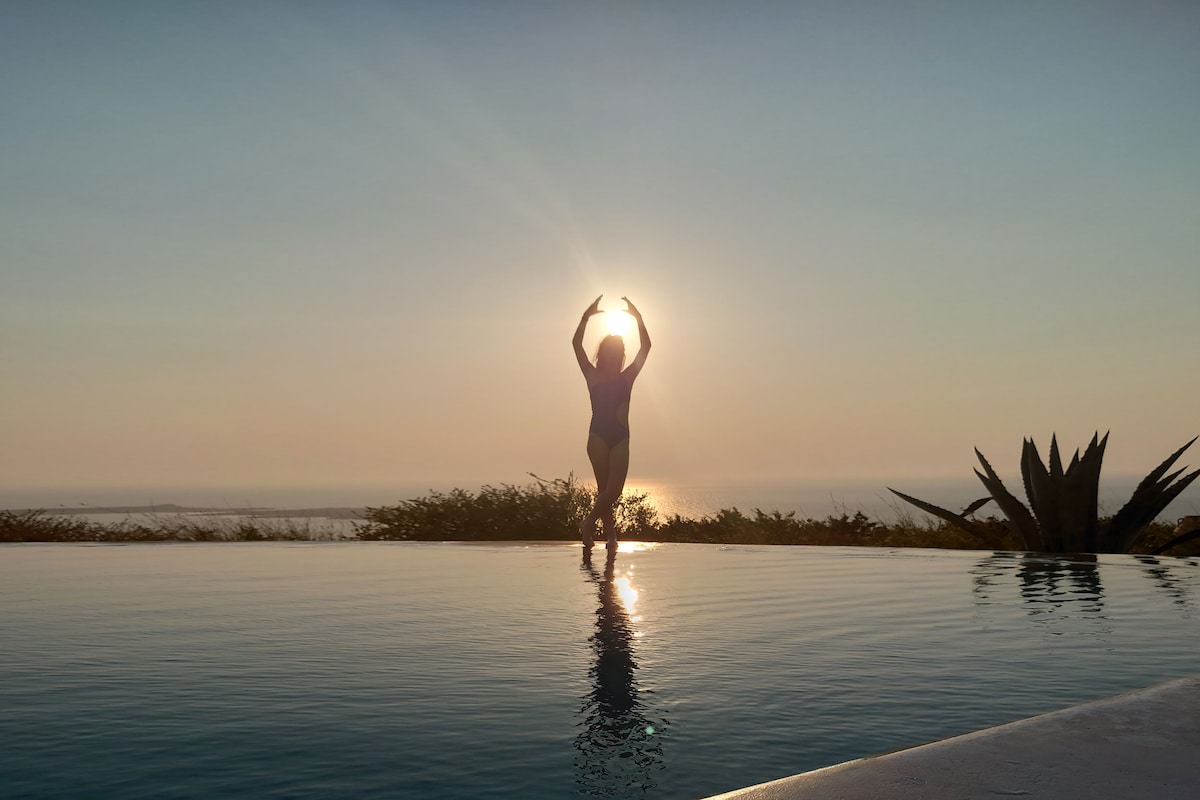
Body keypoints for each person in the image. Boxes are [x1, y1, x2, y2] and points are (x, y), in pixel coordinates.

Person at [572, 295, 651, 549]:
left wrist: (638, 318)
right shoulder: (591, 375)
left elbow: (646, 347)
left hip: (620, 438)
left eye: (618, 353)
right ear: (603, 354)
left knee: (613, 491)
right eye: (611, 352)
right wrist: (586, 316)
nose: (615, 356)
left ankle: (588, 524)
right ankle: (610, 535)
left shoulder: (627, 377)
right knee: (604, 489)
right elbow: (576, 344)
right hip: (597, 437)